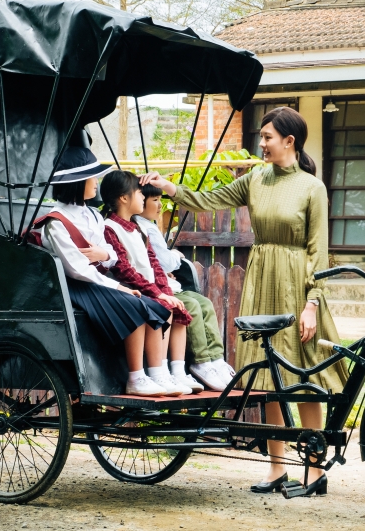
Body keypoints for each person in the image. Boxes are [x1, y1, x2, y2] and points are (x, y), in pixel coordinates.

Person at [143, 106, 347, 496]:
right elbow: (208, 200)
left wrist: (313, 303)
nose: (262, 144)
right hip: (262, 280)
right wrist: (169, 187)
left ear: (289, 141)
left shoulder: (312, 188)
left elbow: (318, 250)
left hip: (297, 284)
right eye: (262, 137)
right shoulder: (255, 179)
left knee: (305, 378)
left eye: (268, 137)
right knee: (267, 377)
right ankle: (276, 468)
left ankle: (314, 469)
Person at [32, 147, 172, 397]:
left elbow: (111, 255)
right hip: (76, 287)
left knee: (150, 303)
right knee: (135, 303)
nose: (96, 182)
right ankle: (136, 377)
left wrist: (104, 255)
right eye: (92, 178)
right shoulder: (55, 222)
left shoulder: (93, 215)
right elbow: (77, 269)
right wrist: (117, 285)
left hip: (99, 281)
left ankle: (157, 373)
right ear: (77, 183)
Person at [99, 170, 204, 395]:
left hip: (147, 289)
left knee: (170, 306)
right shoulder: (110, 228)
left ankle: (163, 371)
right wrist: (157, 293)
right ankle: (154, 373)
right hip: (127, 289)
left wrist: (164, 292)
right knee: (158, 306)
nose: (143, 198)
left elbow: (154, 264)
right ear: (124, 198)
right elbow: (124, 270)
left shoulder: (137, 229)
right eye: (139, 193)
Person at [134, 184, 235, 391]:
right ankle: (201, 360)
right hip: (155, 287)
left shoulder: (148, 226)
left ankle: (216, 358)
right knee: (192, 306)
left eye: (160, 200)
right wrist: (176, 256)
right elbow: (166, 262)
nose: (160, 206)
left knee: (205, 303)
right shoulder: (144, 228)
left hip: (167, 283)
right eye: (155, 200)